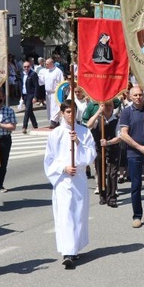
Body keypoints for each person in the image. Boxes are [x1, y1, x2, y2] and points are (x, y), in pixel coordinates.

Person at [43, 101, 97, 269]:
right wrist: (63, 168)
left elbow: (91, 155)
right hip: (63, 180)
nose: (70, 115)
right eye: (67, 111)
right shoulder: (55, 134)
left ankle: (76, 246)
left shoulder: (84, 132)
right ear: (61, 113)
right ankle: (68, 252)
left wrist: (78, 143)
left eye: (73, 111)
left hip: (79, 178)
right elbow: (49, 160)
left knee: (78, 213)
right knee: (65, 214)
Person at [119, 85, 144, 228]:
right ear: (130, 96)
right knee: (136, 185)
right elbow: (124, 134)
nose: (138, 97)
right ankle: (137, 215)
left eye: (140, 95)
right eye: (135, 95)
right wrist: (139, 147)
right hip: (134, 152)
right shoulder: (127, 112)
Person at [86, 100, 121, 207]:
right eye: (106, 105)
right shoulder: (98, 119)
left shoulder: (117, 119)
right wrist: (98, 112)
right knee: (100, 172)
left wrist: (108, 142)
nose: (108, 107)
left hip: (113, 148)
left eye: (110, 105)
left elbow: (119, 136)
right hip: (99, 150)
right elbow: (89, 125)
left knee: (112, 173)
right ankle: (103, 195)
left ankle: (112, 196)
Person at [39, 58, 64, 127]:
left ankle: (54, 121)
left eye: (47, 64)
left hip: (55, 92)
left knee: (55, 108)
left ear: (52, 64)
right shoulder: (46, 71)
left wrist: (60, 92)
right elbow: (42, 81)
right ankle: (54, 121)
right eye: (45, 64)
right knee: (50, 108)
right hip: (48, 93)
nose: (45, 65)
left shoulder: (58, 71)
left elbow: (61, 82)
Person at [21, 61, 39, 133]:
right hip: (24, 94)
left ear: (30, 66)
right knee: (30, 111)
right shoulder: (22, 74)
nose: (26, 68)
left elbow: (36, 86)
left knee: (27, 110)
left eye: (28, 66)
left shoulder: (33, 74)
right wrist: (21, 96)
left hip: (30, 94)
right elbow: (22, 85)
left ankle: (24, 127)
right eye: (25, 67)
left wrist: (35, 97)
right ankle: (35, 125)